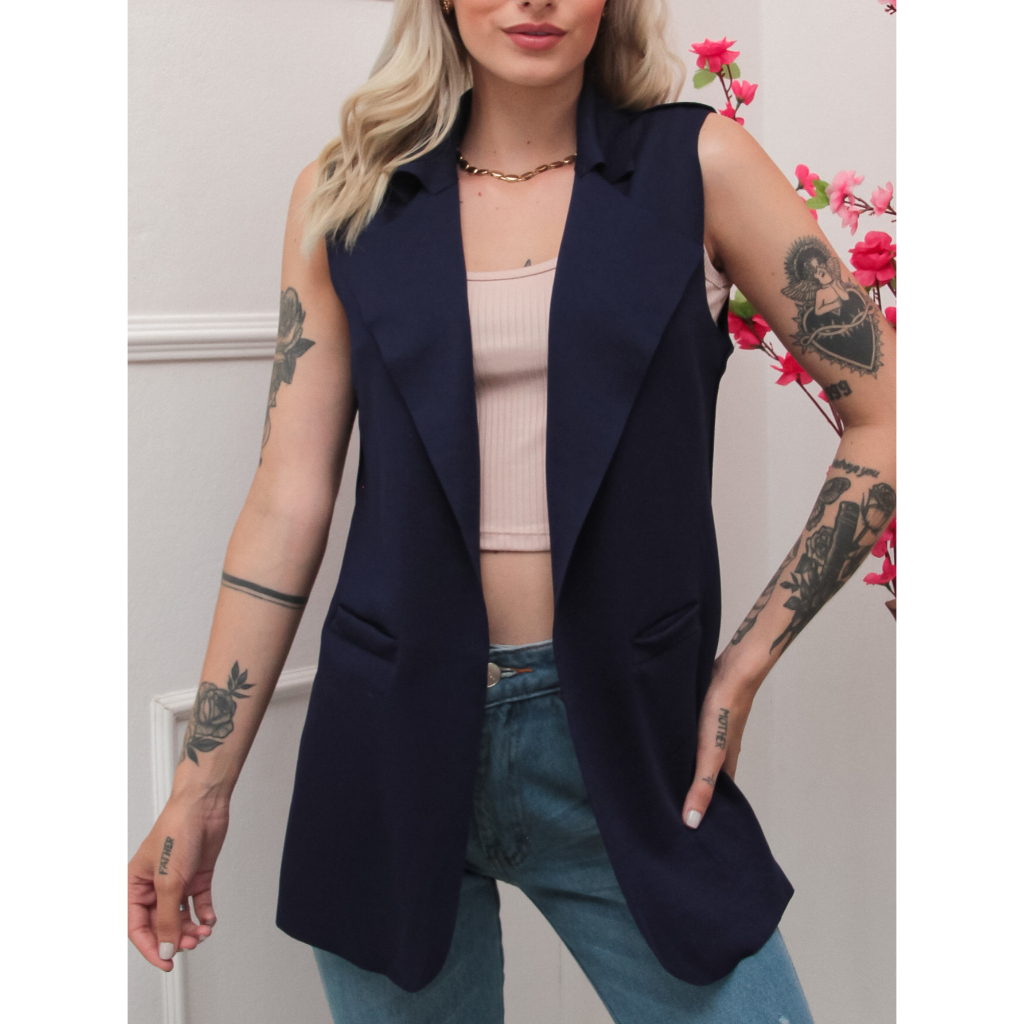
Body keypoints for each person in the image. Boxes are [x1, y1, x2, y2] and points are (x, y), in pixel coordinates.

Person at [128, 0, 895, 1020]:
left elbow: (887, 414)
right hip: (387, 736)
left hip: (626, 737)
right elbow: (286, 496)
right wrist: (200, 784)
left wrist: (744, 664)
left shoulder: (697, 165)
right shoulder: (349, 194)